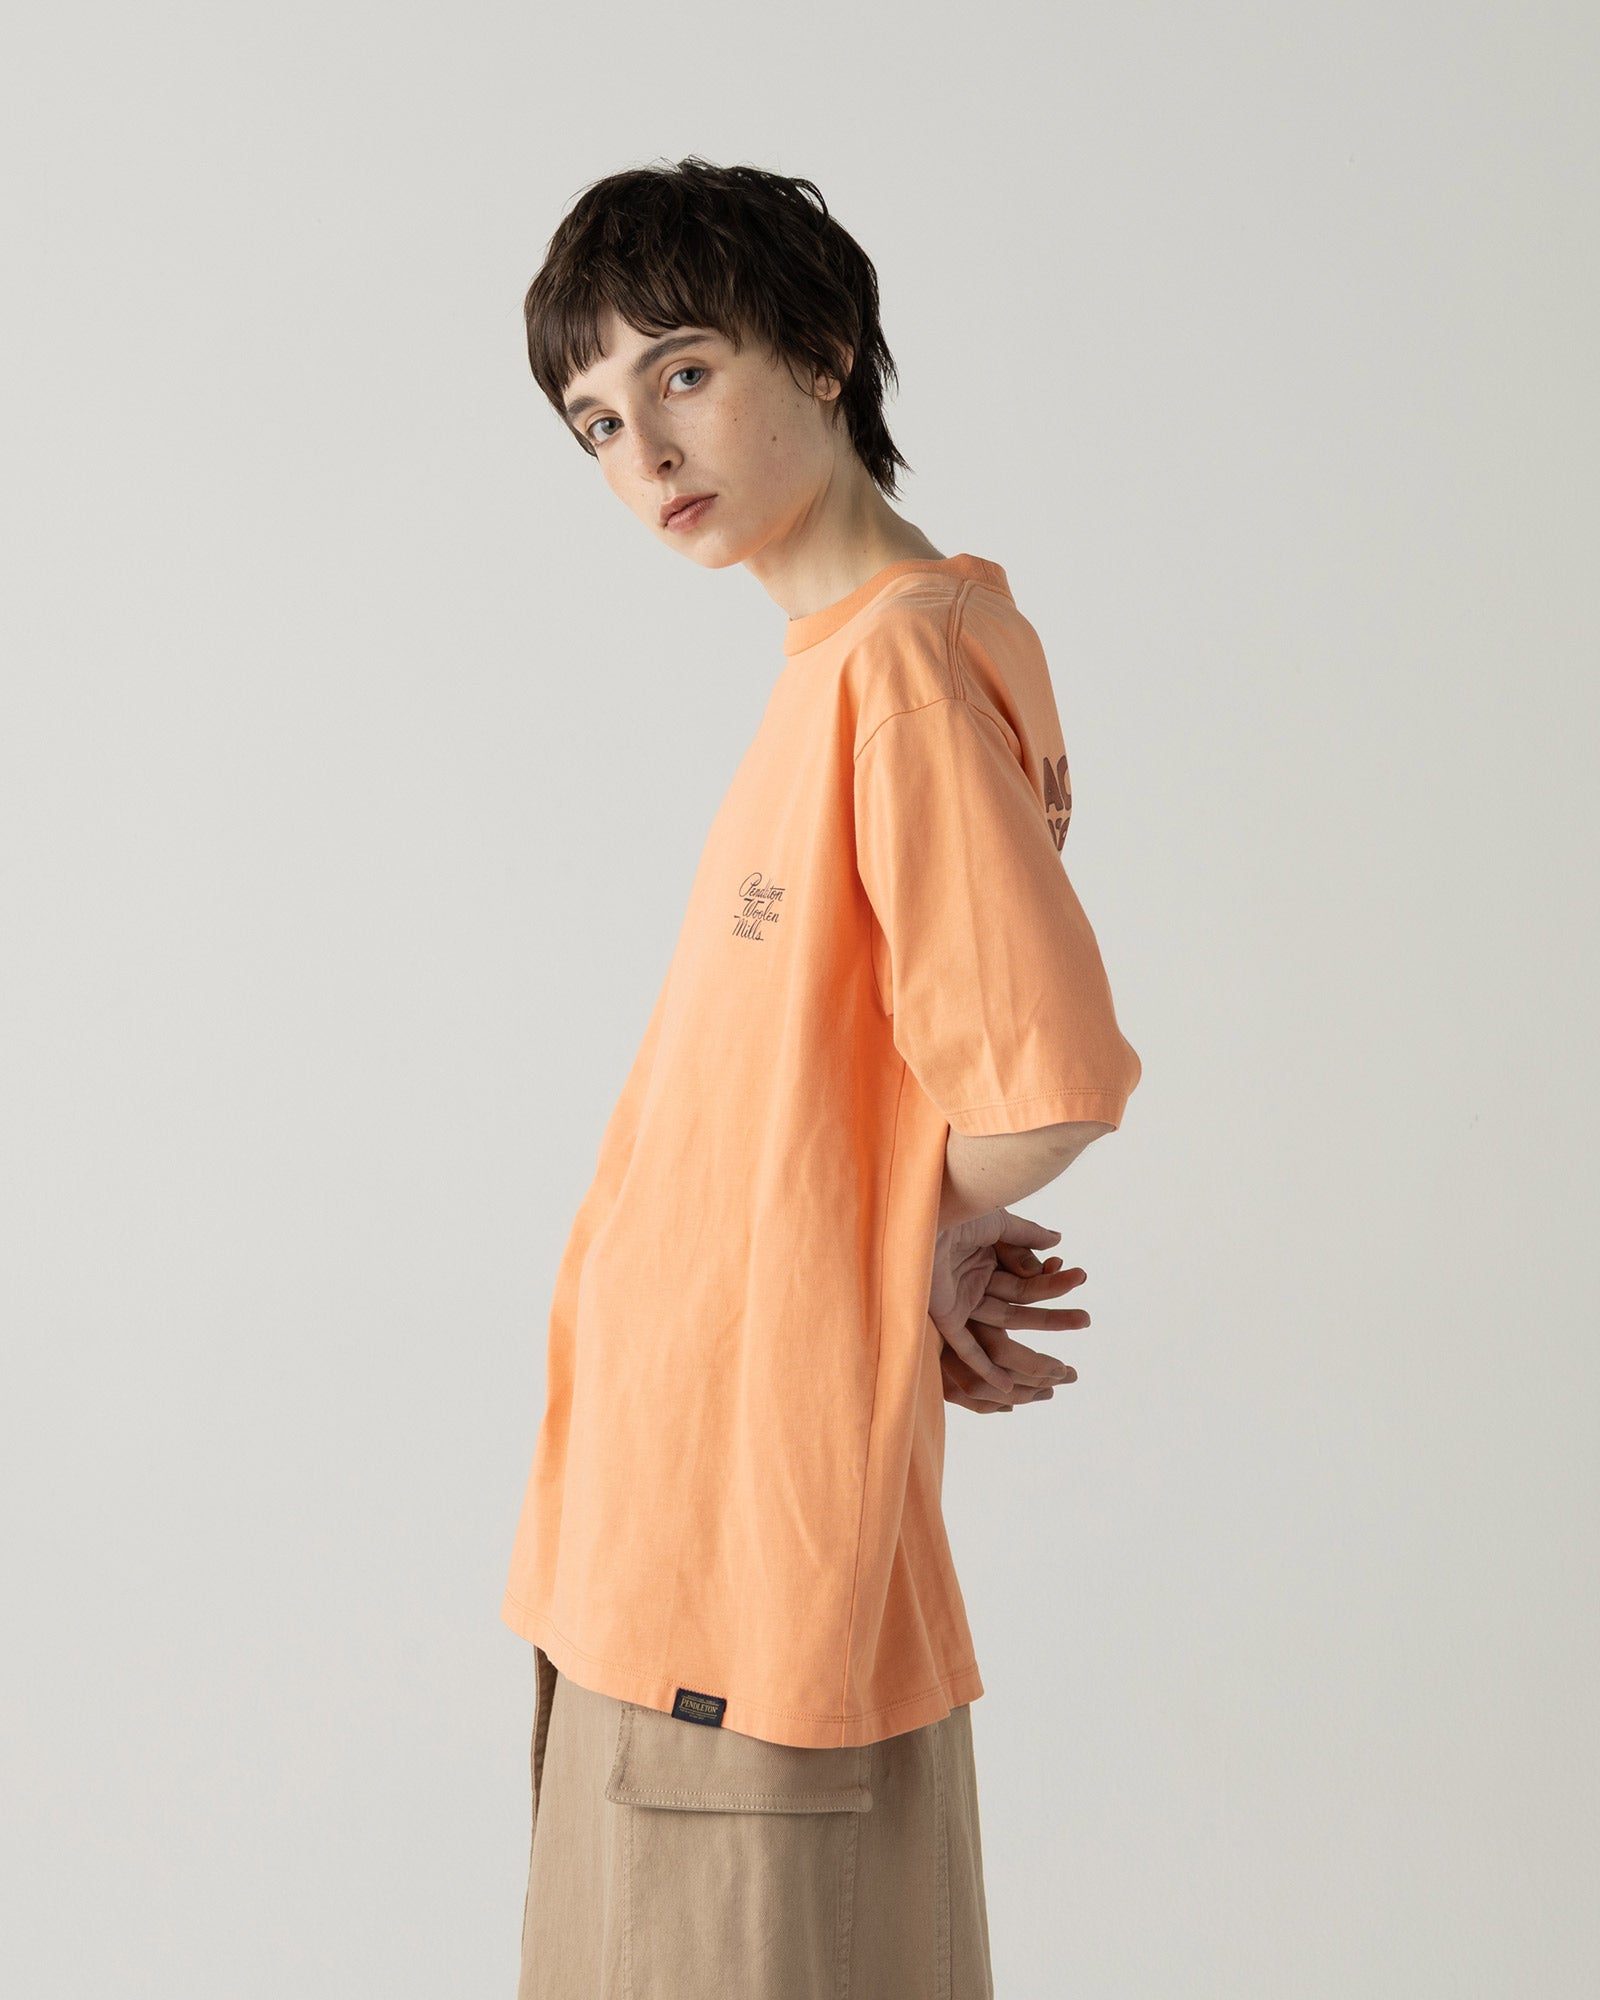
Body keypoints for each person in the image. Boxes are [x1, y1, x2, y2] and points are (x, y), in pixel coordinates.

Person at [501, 156, 1142, 1999]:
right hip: (674, 1527)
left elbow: (1045, 1080)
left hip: (741, 1558)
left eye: (685, 373)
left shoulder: (902, 671)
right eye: (596, 421)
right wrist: (914, 1233)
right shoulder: (847, 661)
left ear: (827, 349)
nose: (644, 451)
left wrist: (906, 1230)